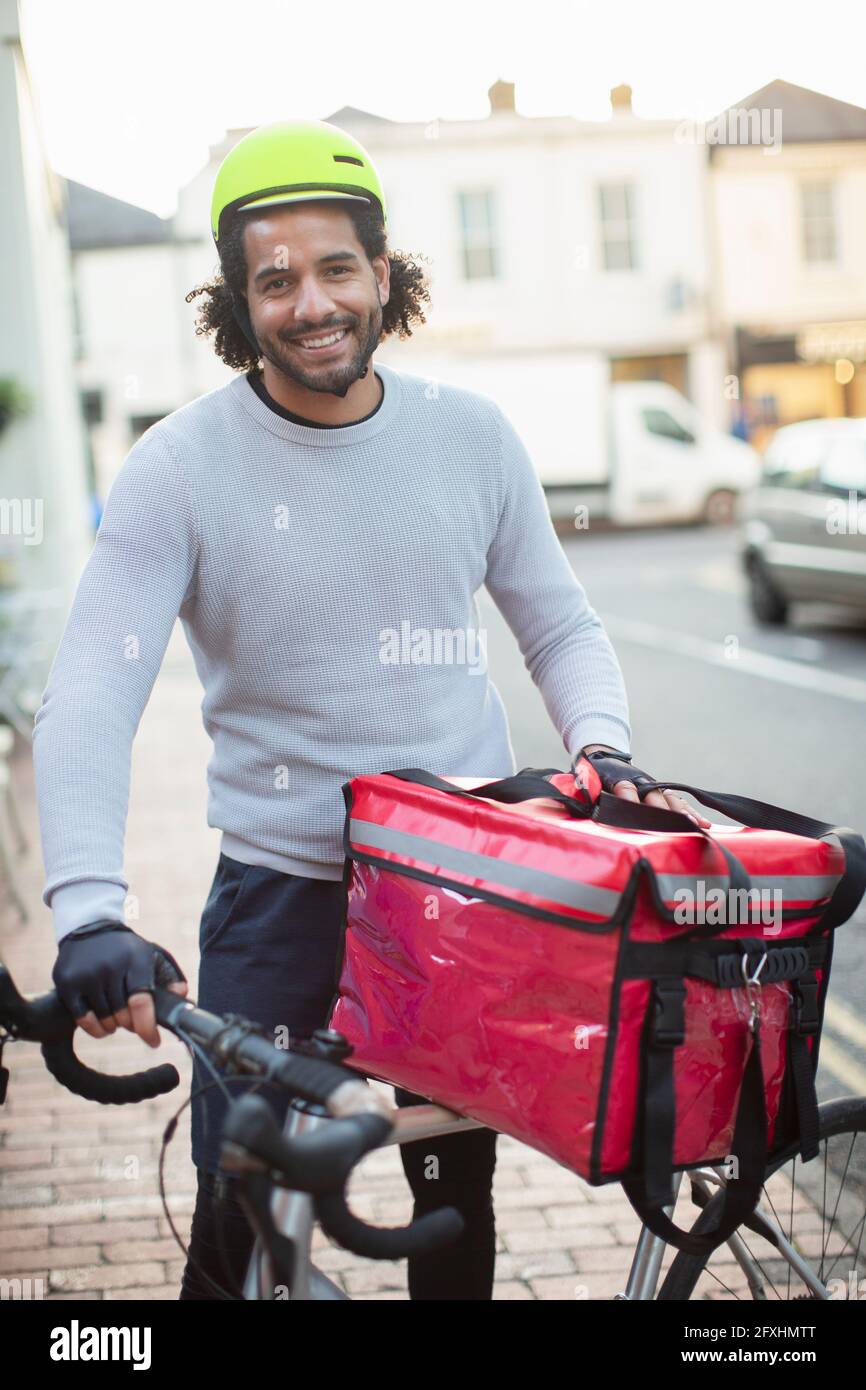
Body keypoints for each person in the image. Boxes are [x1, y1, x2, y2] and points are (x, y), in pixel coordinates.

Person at [34, 118, 709, 1302]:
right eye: (274, 279)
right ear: (237, 304)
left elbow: (556, 623)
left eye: (336, 266)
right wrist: (90, 908)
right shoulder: (180, 467)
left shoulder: (469, 438)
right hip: (278, 899)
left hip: (460, 895)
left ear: (382, 276)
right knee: (239, 1202)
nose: (311, 302)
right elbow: (94, 682)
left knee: (451, 1202)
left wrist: (601, 748)